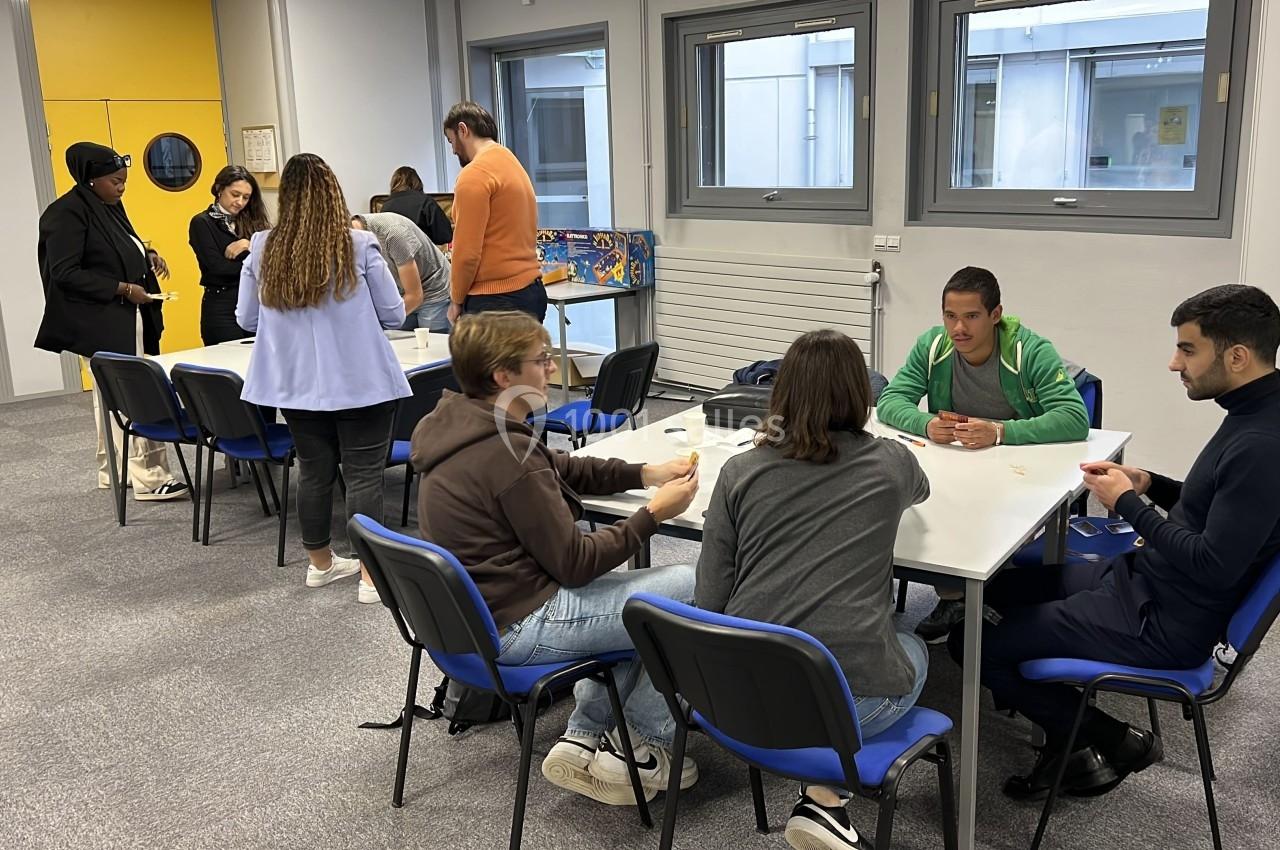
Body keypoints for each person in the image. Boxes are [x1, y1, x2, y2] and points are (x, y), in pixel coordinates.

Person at [947, 284, 1280, 801]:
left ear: (1237, 356)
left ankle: (1111, 739)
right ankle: (1069, 736)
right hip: (1148, 581)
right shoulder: (1255, 413)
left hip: (1167, 619)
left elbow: (1215, 565)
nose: (1174, 363)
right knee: (989, 595)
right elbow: (1217, 507)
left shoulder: (1262, 445)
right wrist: (1151, 483)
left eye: (1187, 349)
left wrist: (1127, 503)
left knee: (975, 645)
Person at [409, 310, 700, 806]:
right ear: (504, 376)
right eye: (540, 360)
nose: (550, 369)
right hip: (520, 623)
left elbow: (558, 467)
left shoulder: (465, 422)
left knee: (649, 606)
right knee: (694, 588)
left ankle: (585, 734)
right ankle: (641, 743)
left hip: (475, 621)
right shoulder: (504, 454)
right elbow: (575, 563)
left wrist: (644, 472)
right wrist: (652, 514)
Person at [696, 330, 930, 850]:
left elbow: (709, 599)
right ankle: (824, 797)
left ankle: (823, 802)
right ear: (861, 395)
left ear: (779, 395)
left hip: (737, 704)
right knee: (913, 644)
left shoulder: (739, 471)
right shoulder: (891, 462)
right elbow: (922, 489)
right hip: (838, 703)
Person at [877, 266, 1089, 643]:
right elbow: (891, 400)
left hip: (1016, 471)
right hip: (956, 467)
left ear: (995, 315)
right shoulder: (933, 346)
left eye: (971, 316)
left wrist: (1000, 431)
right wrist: (925, 423)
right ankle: (954, 595)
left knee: (978, 523)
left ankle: (982, 594)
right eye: (950, 316)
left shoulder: (1031, 350)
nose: (959, 328)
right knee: (924, 509)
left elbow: (1074, 418)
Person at [236, 153, 410, 603]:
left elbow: (246, 318)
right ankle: (372, 578)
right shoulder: (358, 245)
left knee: (313, 472)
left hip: (294, 385)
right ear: (334, 193)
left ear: (285, 198)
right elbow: (392, 313)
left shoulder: (262, 246)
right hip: (360, 382)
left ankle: (321, 565)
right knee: (364, 476)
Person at [35, 141, 189, 502]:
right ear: (91, 179)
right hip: (101, 320)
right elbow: (65, 272)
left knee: (109, 395)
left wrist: (146, 255)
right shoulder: (65, 214)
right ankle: (149, 478)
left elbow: (116, 246)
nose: (122, 187)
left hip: (122, 317)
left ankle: (113, 470)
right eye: (115, 181)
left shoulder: (107, 207)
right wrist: (121, 288)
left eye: (124, 180)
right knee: (133, 393)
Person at [441, 102, 545, 323]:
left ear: (463, 130)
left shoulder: (475, 174)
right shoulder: (510, 161)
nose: (453, 150)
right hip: (530, 290)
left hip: (495, 300)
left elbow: (467, 252)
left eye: (451, 141)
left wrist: (456, 299)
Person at [189, 165, 271, 345]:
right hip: (222, 306)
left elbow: (272, 259)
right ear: (219, 189)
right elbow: (217, 268)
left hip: (255, 303)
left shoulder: (254, 221)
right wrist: (253, 264)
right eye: (235, 194)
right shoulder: (202, 223)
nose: (240, 202)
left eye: (246, 198)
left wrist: (249, 245)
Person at [351, 212, 451, 332]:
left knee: (434, 346)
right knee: (402, 346)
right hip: (403, 293)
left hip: (434, 290)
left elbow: (415, 296)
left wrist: (379, 323)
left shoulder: (393, 234)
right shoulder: (355, 239)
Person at [379, 166, 453, 246]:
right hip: (422, 255)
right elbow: (445, 236)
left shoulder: (385, 207)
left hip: (392, 257)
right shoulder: (426, 202)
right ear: (417, 182)